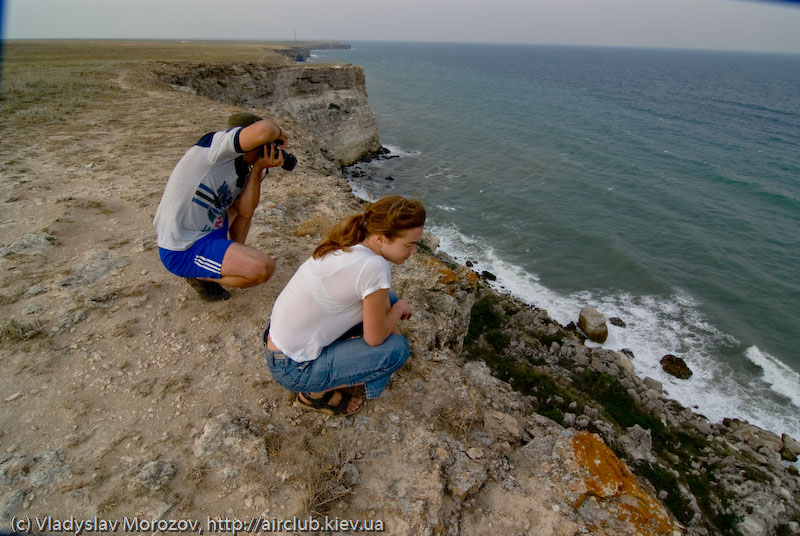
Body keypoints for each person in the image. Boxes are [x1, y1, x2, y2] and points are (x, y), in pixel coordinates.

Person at [264, 195, 426, 416]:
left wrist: (394, 308)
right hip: (294, 369)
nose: (414, 251)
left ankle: (352, 369)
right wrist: (398, 311)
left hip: (279, 345)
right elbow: (374, 339)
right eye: (409, 244)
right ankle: (315, 394)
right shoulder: (374, 266)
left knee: (389, 299)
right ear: (381, 239)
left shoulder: (349, 246)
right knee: (397, 350)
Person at [153, 112, 288, 301]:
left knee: (239, 207)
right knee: (262, 268)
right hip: (183, 247)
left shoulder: (240, 168)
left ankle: (228, 255)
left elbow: (245, 211)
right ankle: (199, 276)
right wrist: (279, 133)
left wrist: (257, 169)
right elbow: (267, 130)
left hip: (206, 233)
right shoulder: (214, 149)